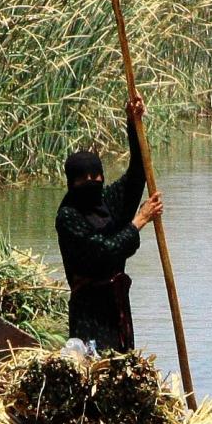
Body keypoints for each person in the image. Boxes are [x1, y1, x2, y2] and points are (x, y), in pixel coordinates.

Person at [56, 94, 163, 352]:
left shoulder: (106, 201)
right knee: (94, 362)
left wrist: (134, 122)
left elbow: (138, 172)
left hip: (116, 305)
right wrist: (139, 221)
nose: (92, 182)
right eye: (84, 179)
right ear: (72, 183)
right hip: (87, 310)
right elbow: (104, 251)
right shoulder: (69, 216)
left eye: (97, 176)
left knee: (122, 359)